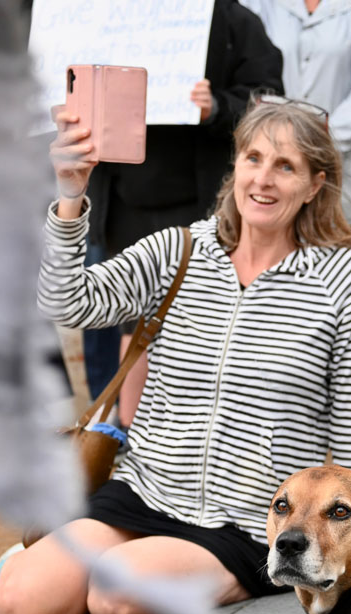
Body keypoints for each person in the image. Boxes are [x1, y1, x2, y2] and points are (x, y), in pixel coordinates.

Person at [0, 98, 351, 614]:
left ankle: (232, 576)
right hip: (145, 492)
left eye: (285, 166)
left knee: (115, 595)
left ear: (316, 184)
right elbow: (65, 303)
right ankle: (84, 571)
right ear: (236, 167)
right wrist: (70, 196)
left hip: (251, 521)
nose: (263, 180)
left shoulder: (344, 278)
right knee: (18, 600)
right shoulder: (179, 251)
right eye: (253, 158)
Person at [82, 0, 284, 425]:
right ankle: (117, 433)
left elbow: (269, 101)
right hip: (122, 204)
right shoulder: (108, 16)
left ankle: (198, 432)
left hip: (204, 209)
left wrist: (218, 108)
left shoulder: (234, 21)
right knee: (127, 325)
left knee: (199, 327)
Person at [240, 0, 351, 275]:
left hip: (349, 165)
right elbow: (253, 71)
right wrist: (282, 142)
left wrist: (320, 143)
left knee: (346, 287)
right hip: (273, 170)